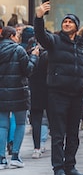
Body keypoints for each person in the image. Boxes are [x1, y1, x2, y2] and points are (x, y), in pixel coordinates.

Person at [34, 1, 83, 175]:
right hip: (57, 95)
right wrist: (39, 17)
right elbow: (40, 35)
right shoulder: (54, 41)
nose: (66, 24)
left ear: (76, 26)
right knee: (58, 134)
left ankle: (70, 166)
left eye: (70, 22)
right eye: (64, 22)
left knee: (73, 135)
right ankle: (58, 168)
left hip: (77, 95)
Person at [0, 26, 39, 169]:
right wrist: (34, 57)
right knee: (20, 123)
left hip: (1, 93)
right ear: (11, 36)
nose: (18, 38)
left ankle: (1, 159)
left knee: (2, 125)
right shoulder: (18, 50)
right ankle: (15, 156)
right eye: (16, 35)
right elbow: (28, 70)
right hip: (19, 93)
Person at [25, 29, 49, 159]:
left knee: (36, 121)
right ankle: (45, 144)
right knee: (52, 121)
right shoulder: (50, 55)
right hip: (50, 91)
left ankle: (37, 147)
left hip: (34, 91)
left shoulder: (28, 55)